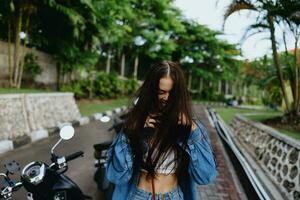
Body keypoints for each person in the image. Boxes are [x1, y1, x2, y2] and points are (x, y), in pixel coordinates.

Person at [106, 61, 217, 200]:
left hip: (174, 196)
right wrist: (132, 131)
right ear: (151, 91)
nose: (167, 98)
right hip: (139, 195)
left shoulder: (192, 128)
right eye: (161, 92)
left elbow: (205, 177)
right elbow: (116, 176)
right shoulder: (136, 122)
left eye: (172, 93)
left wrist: (193, 133)